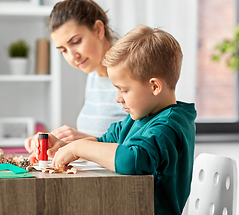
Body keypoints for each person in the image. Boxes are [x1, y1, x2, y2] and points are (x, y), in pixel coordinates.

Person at [27, 25, 197, 214]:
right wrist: (64, 146)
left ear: (155, 86)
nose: (118, 98)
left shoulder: (168, 125)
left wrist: (78, 147)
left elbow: (133, 160)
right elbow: (104, 143)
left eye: (124, 89)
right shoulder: (140, 118)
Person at [25, 0, 126, 150]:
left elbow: (141, 148)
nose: (72, 57)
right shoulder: (93, 76)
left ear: (99, 30)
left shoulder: (132, 76)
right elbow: (95, 143)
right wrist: (59, 142)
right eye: (63, 50)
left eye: (76, 42)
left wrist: (84, 142)